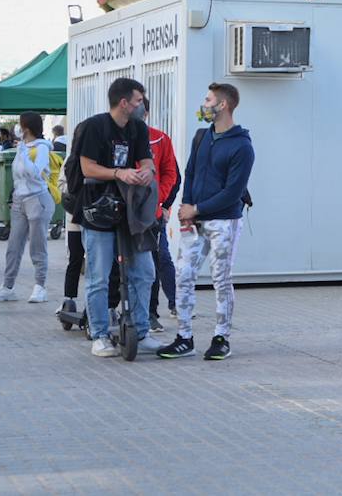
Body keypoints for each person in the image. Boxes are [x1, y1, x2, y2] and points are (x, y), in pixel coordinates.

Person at [159, 82, 253, 361]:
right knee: (183, 275)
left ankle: (221, 337)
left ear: (222, 105)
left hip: (223, 223)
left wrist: (196, 209)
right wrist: (185, 207)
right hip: (194, 222)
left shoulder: (242, 147)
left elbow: (232, 193)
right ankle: (184, 337)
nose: (204, 103)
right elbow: (189, 172)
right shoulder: (201, 137)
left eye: (208, 99)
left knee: (221, 279)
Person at [73, 77, 162, 357]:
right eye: (138, 101)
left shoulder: (137, 127)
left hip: (129, 211)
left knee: (144, 272)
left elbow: (146, 160)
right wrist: (118, 173)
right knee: (99, 276)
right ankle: (99, 334)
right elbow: (87, 168)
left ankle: (141, 330)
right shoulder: (94, 127)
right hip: (97, 210)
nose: (141, 105)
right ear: (124, 103)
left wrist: (147, 171)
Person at [0, 112, 51, 304]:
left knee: (37, 246)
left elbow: (35, 174)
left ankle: (40, 286)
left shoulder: (41, 148)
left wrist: (23, 152)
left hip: (37, 199)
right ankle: (7, 286)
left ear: (26, 128)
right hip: (19, 201)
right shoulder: (22, 147)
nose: (17, 129)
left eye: (20, 125)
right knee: (13, 246)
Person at [138, 91, 180, 331]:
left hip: (153, 216)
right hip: (125, 214)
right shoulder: (118, 138)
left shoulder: (160, 139)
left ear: (146, 112)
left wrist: (161, 204)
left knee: (157, 260)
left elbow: (173, 176)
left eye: (141, 108)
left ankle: (154, 311)